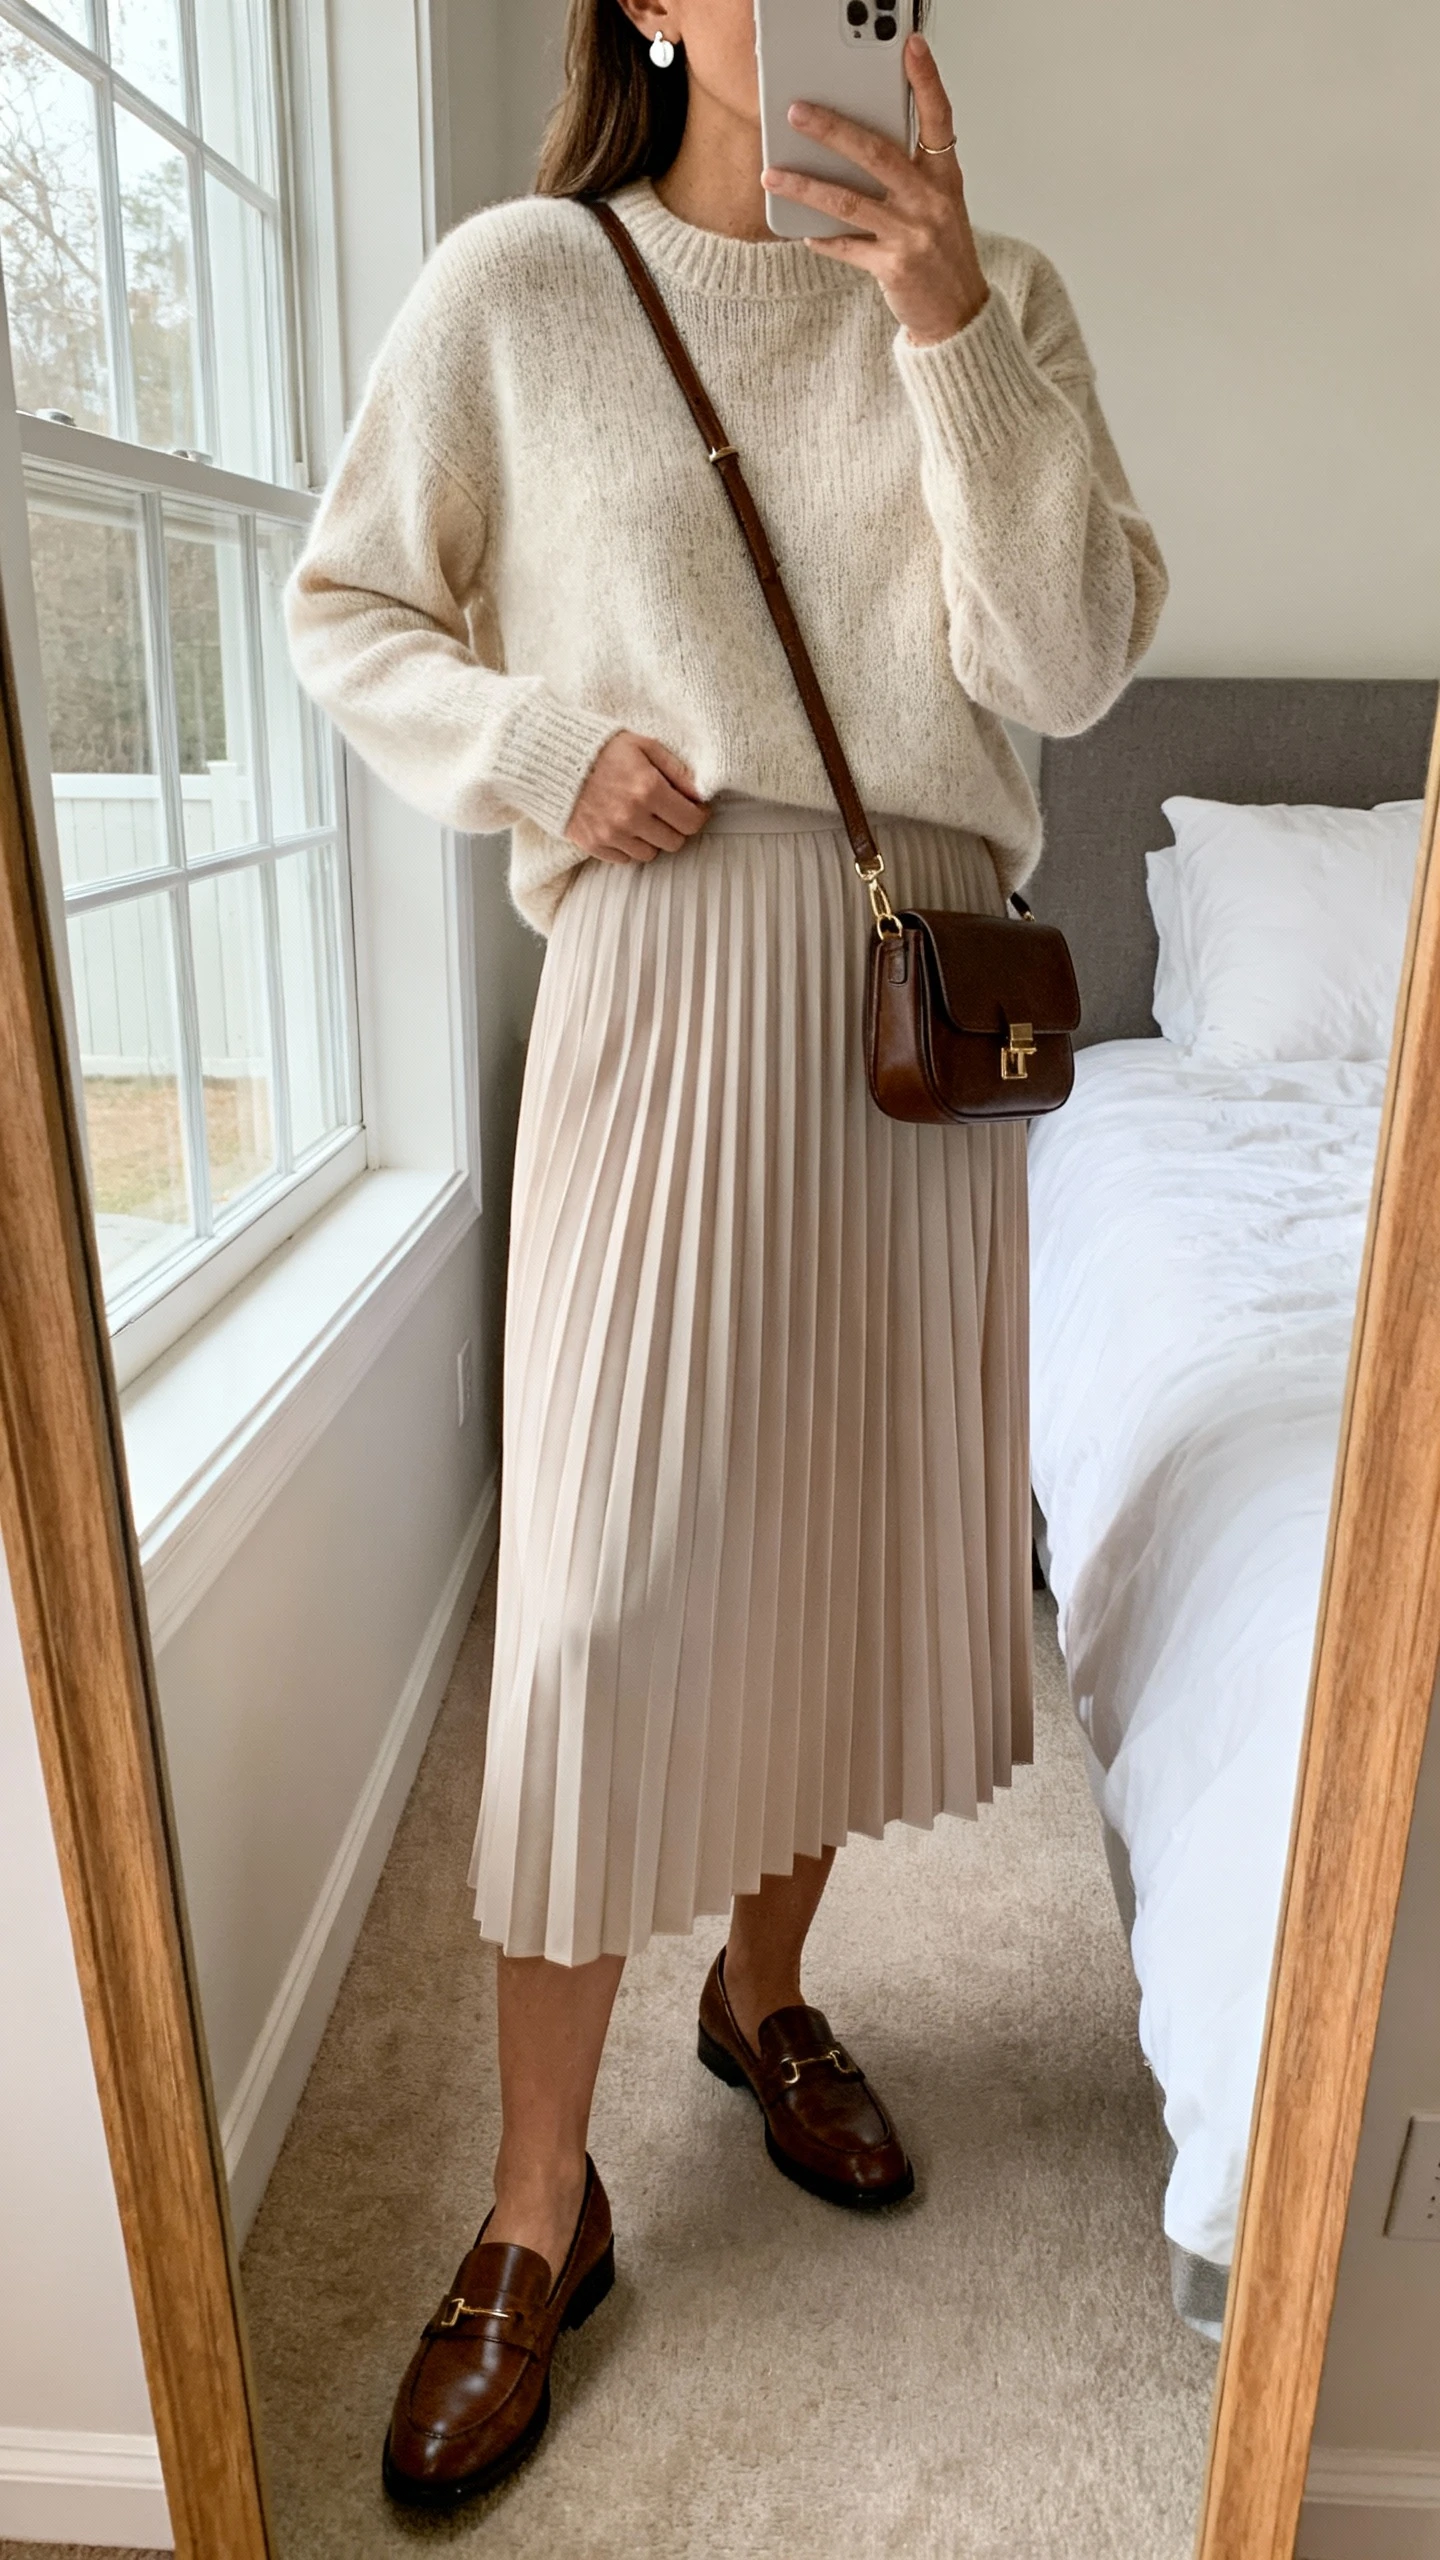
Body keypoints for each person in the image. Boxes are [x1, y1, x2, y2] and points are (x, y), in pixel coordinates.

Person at [287, 0, 1166, 2509]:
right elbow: (354, 604)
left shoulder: (1003, 296)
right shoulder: (520, 287)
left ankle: (764, 1993)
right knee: (594, 1605)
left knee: (836, 1560)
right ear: (655, 4)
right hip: (669, 990)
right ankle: (528, 2209)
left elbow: (1069, 667)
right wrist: (543, 753)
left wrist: (946, 324)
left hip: (924, 1011)